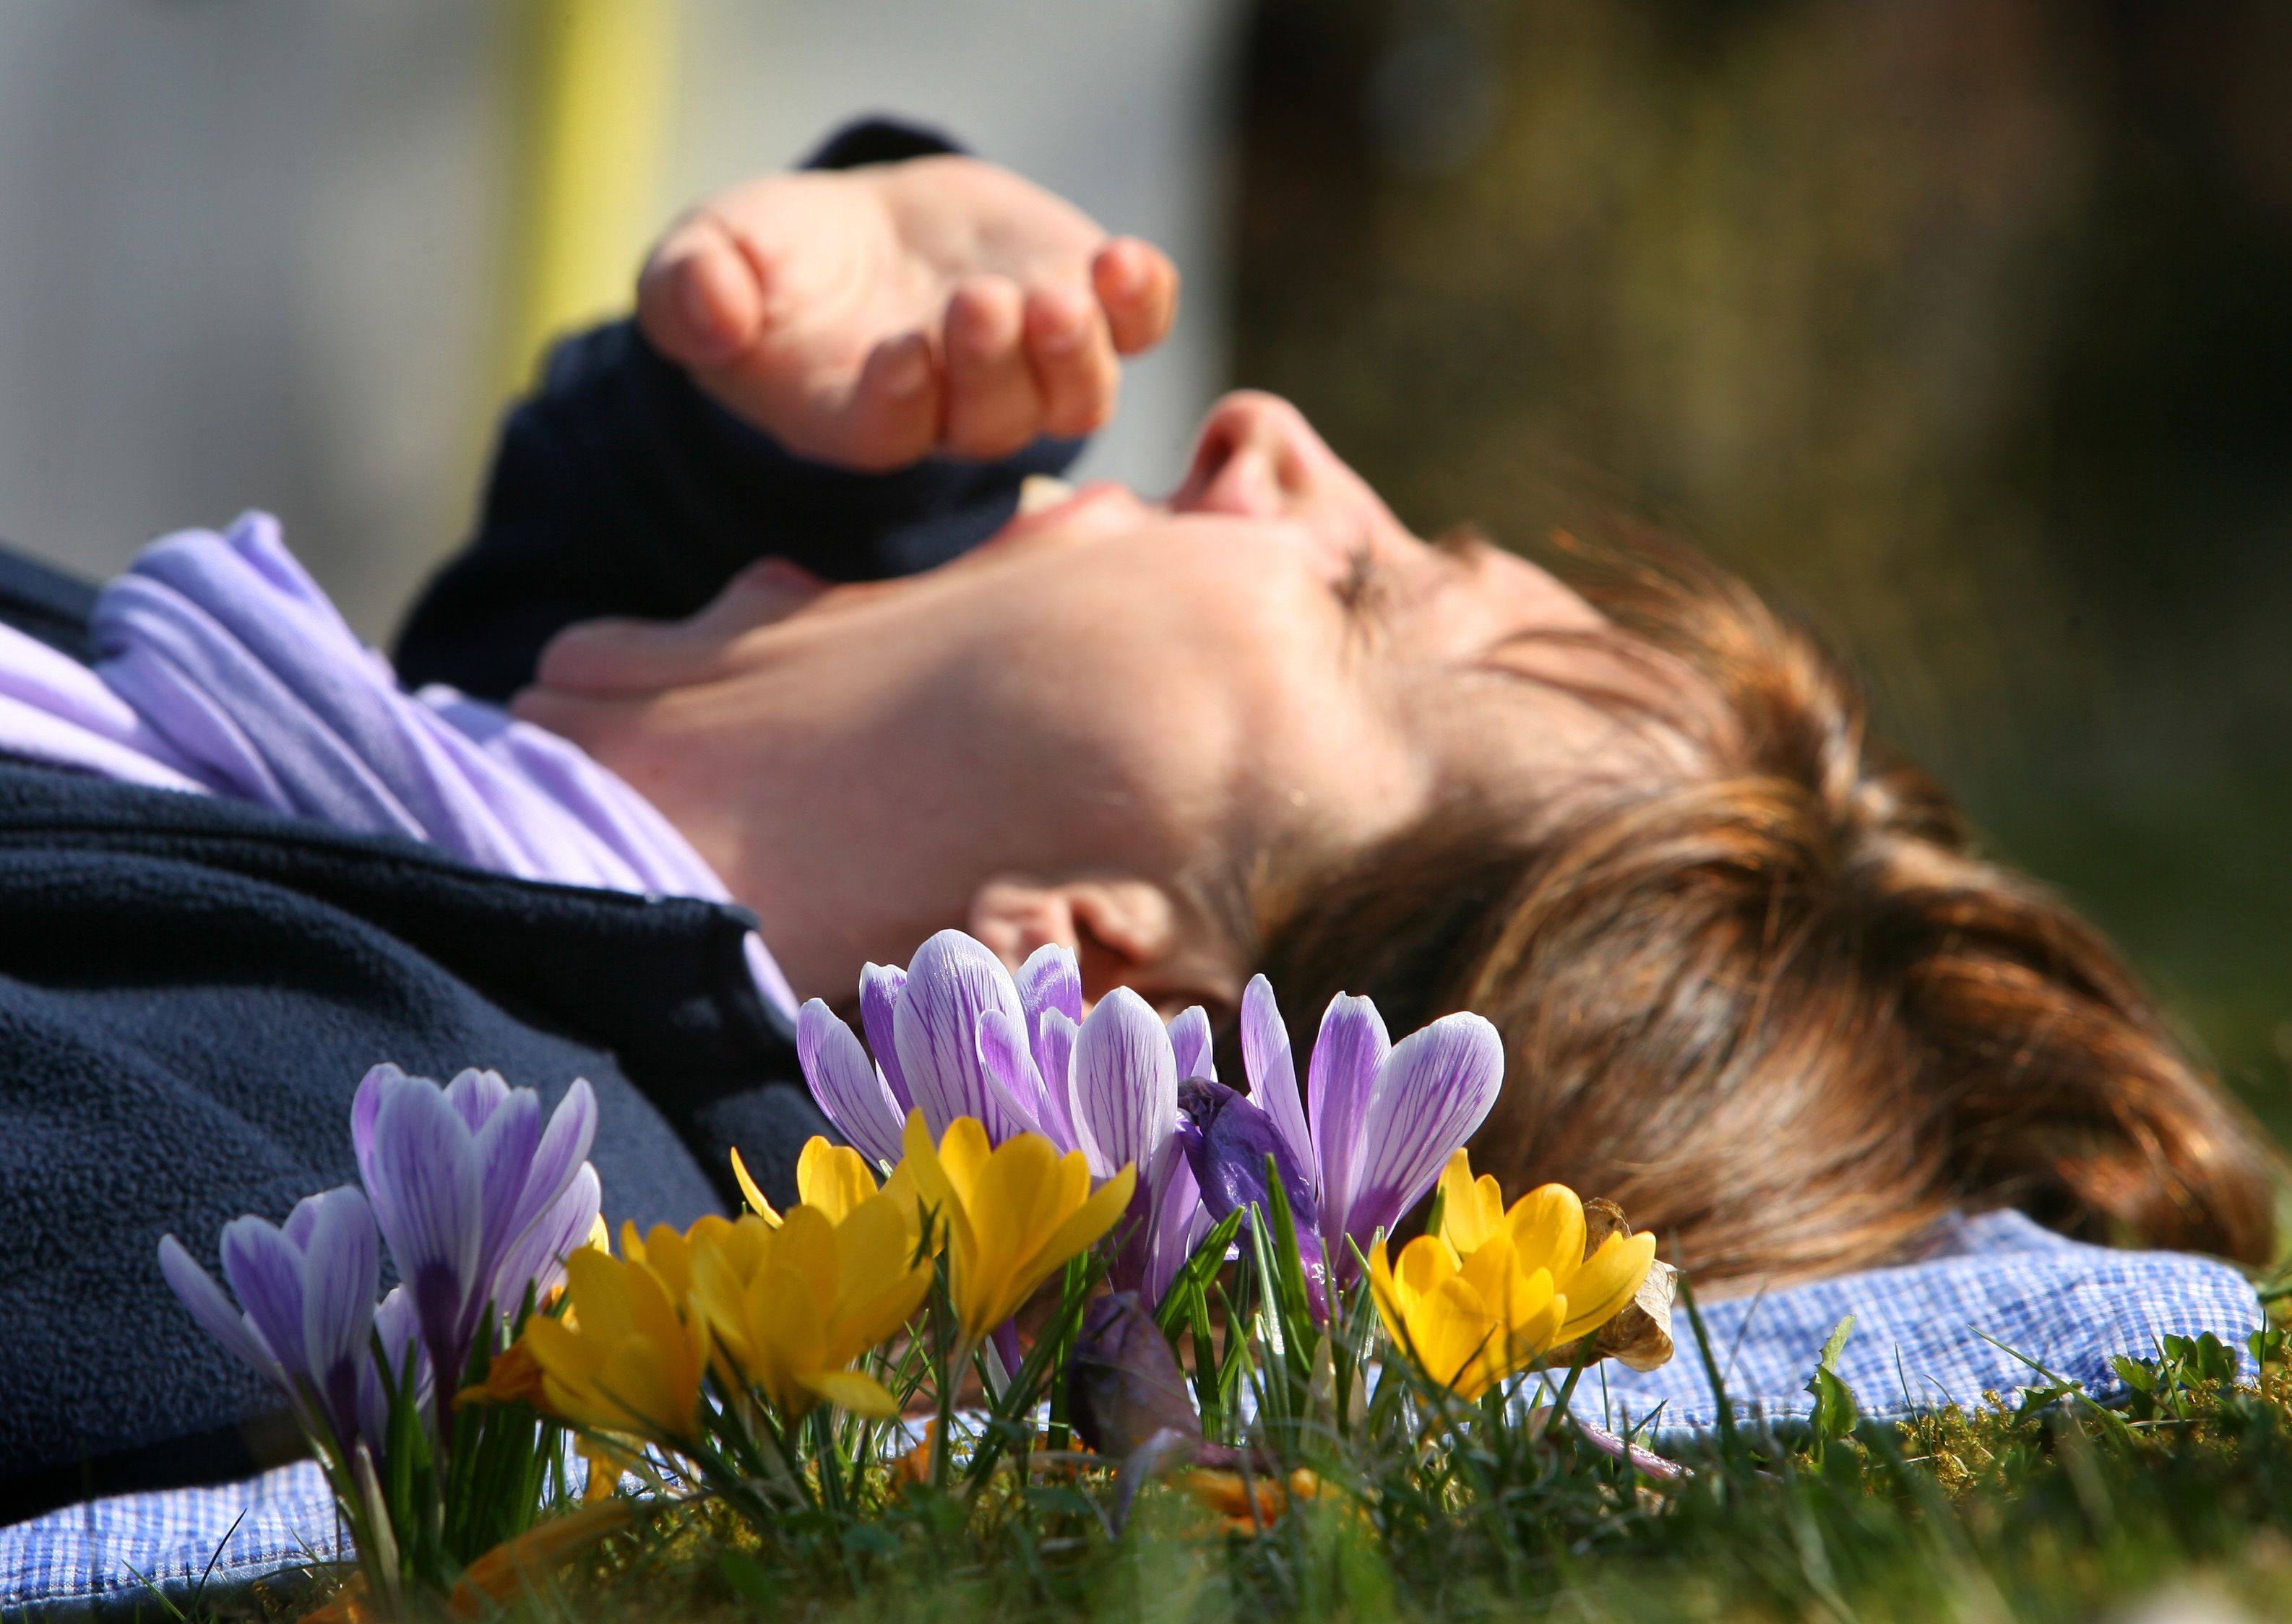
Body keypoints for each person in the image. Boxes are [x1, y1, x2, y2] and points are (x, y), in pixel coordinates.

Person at [0, 121, 2270, 1524]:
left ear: (1082, 986)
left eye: (1363, 592)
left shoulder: (363, 1183)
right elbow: (536, 762)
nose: (1266, 436)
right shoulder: (411, 834)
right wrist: (797, 421)